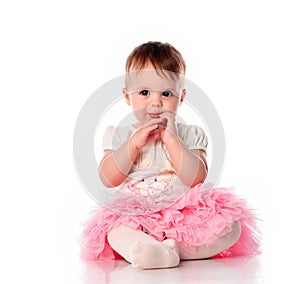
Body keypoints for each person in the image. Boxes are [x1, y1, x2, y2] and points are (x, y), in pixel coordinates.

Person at [81, 41, 260, 269]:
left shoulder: (190, 134)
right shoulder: (119, 134)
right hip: (137, 215)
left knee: (231, 227)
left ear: (181, 98)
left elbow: (196, 178)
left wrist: (172, 140)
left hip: (181, 213)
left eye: (166, 93)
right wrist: (133, 144)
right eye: (144, 93)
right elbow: (108, 177)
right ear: (128, 97)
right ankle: (151, 249)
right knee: (115, 230)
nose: (156, 102)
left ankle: (169, 250)